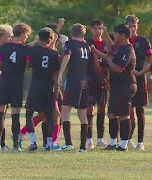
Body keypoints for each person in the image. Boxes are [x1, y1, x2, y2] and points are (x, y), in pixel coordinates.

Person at [92, 24, 137, 151]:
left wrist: (110, 60)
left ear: (123, 35)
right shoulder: (118, 47)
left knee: (124, 115)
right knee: (111, 114)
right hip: (116, 86)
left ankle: (123, 144)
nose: (114, 36)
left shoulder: (128, 50)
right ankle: (112, 143)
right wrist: (96, 51)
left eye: (116, 34)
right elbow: (109, 51)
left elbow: (118, 68)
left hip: (126, 85)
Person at [0, 23, 32, 152]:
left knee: (0, 114)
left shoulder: (3, 48)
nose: (27, 37)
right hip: (17, 85)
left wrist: (3, 79)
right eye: (27, 34)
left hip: (4, 84)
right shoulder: (25, 49)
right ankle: (15, 146)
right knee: (15, 115)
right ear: (21, 34)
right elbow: (27, 65)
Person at [24, 27, 60, 151]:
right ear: (50, 39)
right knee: (49, 116)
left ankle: (33, 142)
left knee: (29, 113)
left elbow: (27, 66)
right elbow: (56, 74)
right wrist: (56, 90)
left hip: (35, 87)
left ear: (39, 38)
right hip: (48, 87)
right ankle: (48, 143)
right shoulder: (54, 54)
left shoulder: (33, 51)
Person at [56, 23, 91, 153]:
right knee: (82, 113)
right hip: (85, 81)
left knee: (65, 111)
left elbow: (67, 56)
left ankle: (69, 143)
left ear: (71, 34)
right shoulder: (87, 46)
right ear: (83, 34)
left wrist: (60, 73)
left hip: (74, 80)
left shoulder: (70, 44)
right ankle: (82, 146)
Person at [125, 15, 152, 150]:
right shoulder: (122, 40)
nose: (132, 29)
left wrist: (150, 77)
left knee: (140, 110)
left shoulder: (143, 41)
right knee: (127, 111)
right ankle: (127, 138)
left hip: (139, 78)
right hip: (124, 80)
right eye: (130, 26)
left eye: (134, 26)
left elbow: (151, 62)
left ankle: (140, 142)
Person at [85, 19, 109, 149]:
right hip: (90, 80)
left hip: (103, 80)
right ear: (91, 29)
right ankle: (89, 140)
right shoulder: (86, 43)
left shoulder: (106, 44)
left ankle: (100, 139)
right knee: (89, 108)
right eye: (95, 28)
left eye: (100, 28)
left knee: (102, 108)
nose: (98, 31)